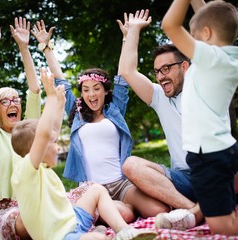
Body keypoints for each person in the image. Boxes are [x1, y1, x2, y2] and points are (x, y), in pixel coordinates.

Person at [118, 3, 238, 230]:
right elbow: (127, 71)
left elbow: (216, 27)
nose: (161, 77)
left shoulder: (206, 79)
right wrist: (133, 32)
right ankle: (194, 210)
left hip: (224, 176)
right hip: (186, 181)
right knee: (130, 164)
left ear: (186, 66)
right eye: (157, 71)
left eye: (167, 68)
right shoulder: (159, 97)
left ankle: (195, 214)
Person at [160, 0, 238, 235]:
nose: (191, 43)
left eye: (194, 36)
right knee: (229, 214)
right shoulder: (224, 58)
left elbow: (170, 25)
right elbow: (233, 26)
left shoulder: (211, 59)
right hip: (219, 152)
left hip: (210, 157)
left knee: (224, 226)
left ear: (206, 35)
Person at [30, 20, 170, 221]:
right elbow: (61, 80)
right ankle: (114, 210)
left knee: (159, 211)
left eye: (96, 88)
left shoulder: (115, 109)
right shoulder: (76, 112)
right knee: (126, 215)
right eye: (86, 90)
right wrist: (46, 47)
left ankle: (115, 209)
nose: (91, 94)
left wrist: (127, 37)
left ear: (105, 91)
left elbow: (124, 74)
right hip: (92, 188)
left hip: (121, 183)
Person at [10, 68, 152, 240]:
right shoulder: (26, 171)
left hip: (73, 219)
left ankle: (124, 230)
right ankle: (97, 236)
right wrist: (50, 96)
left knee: (96, 189)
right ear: (37, 150)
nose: (57, 146)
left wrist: (60, 102)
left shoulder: (42, 167)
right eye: (52, 144)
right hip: (59, 238)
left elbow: (51, 130)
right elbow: (44, 134)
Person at [0, 16, 41, 240]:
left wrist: (24, 47)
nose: (12, 103)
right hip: (8, 212)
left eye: (16, 99)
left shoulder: (28, 130)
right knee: (32, 220)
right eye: (4, 101)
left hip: (36, 202)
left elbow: (34, 89)